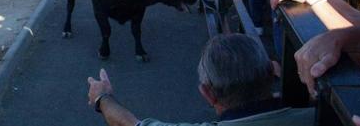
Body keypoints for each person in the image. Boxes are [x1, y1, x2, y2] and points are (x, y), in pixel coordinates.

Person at [87, 34, 314, 126]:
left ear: (207, 93)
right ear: (271, 72)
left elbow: (128, 123)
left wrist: (102, 97)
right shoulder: (326, 114)